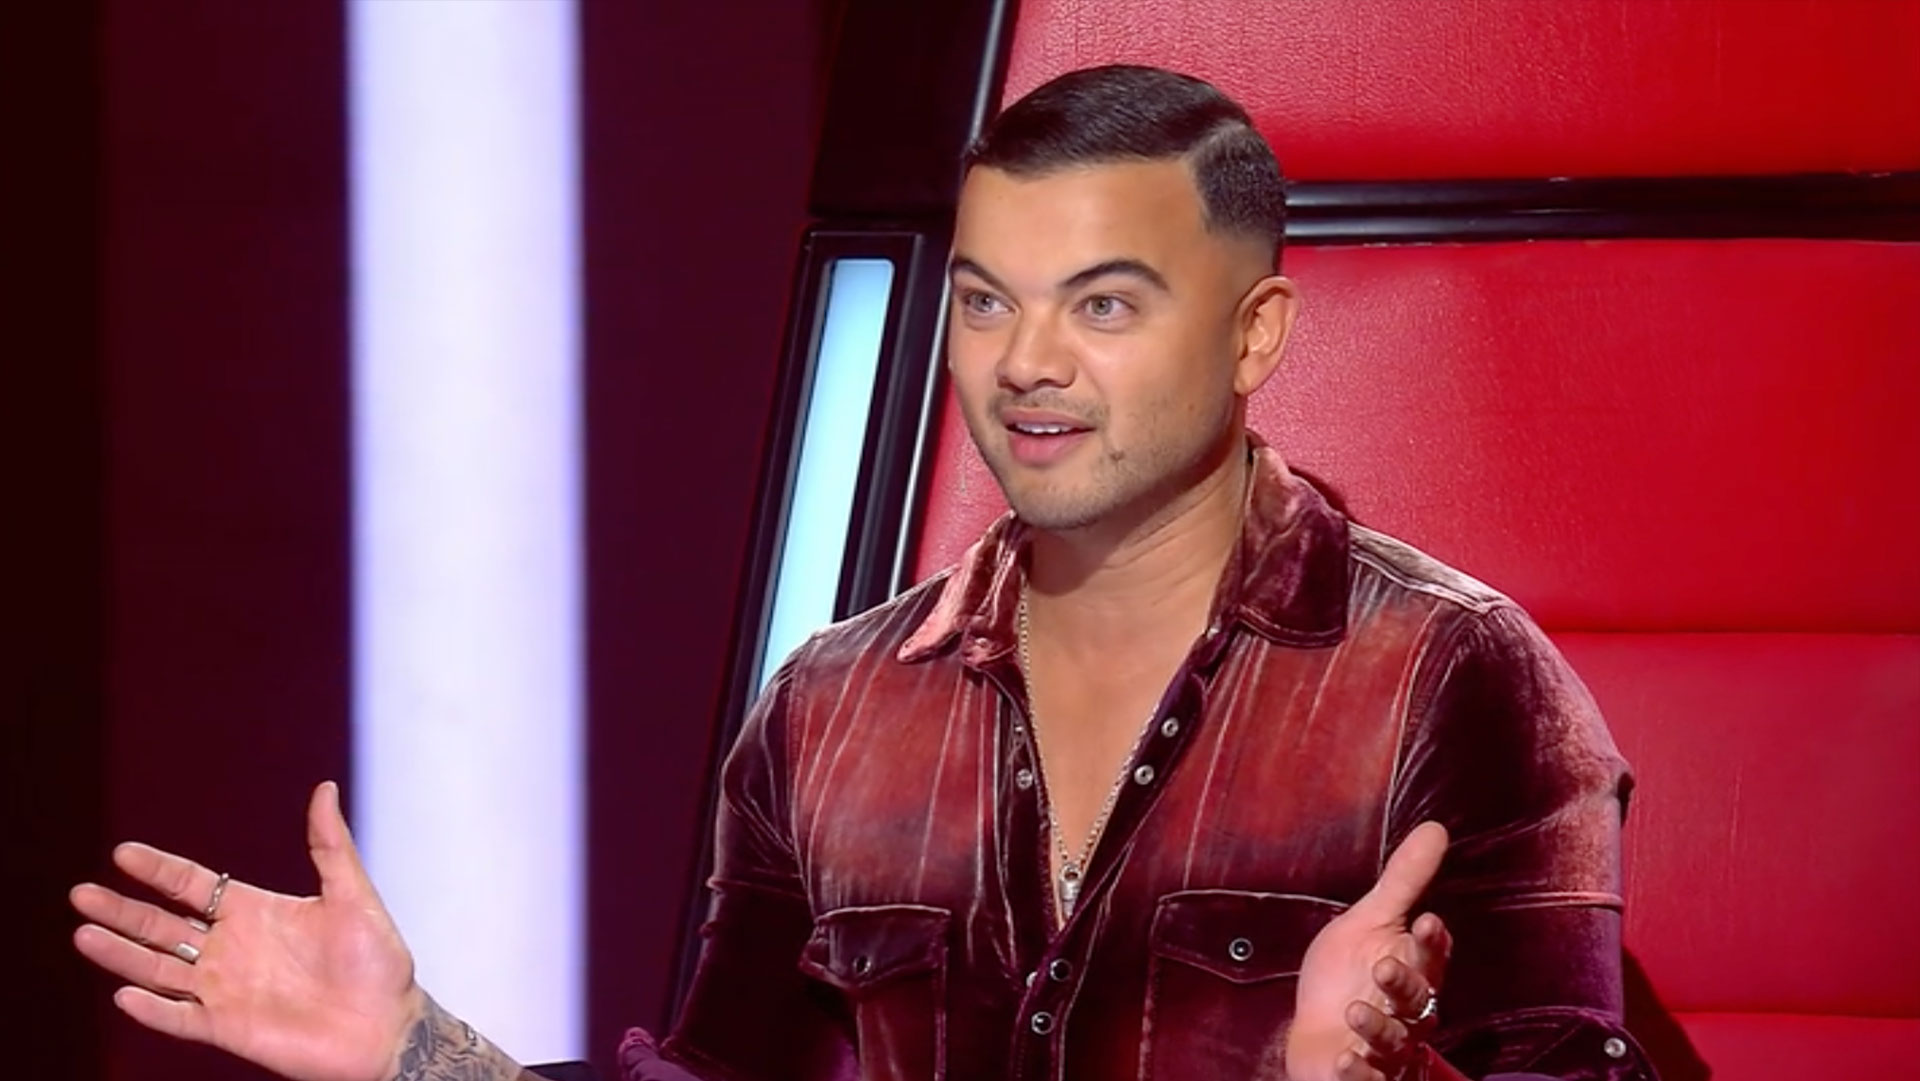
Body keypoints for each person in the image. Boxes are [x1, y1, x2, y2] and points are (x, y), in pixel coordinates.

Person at [70, 65, 1651, 1081]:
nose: (1026, 363)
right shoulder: (831, 706)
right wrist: (414, 1051)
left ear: (1256, 334)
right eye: (986, 299)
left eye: (1103, 305)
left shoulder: (1455, 677)